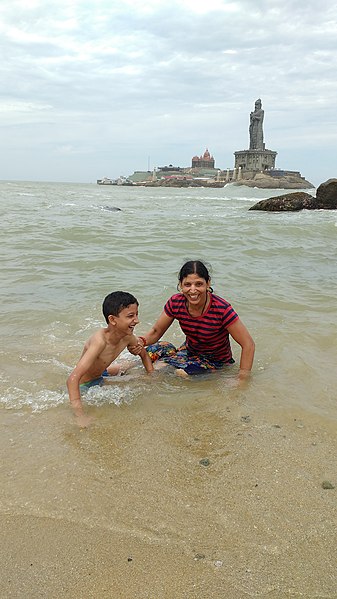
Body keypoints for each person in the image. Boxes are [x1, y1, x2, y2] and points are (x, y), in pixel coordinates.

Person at [132, 260, 255, 379]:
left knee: (176, 371)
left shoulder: (221, 309)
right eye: (187, 284)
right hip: (189, 352)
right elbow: (156, 331)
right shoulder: (176, 302)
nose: (193, 290)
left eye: (199, 284)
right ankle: (122, 368)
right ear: (180, 284)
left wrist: (241, 379)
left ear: (208, 283)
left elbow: (248, 344)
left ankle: (142, 376)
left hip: (215, 362)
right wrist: (141, 342)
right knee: (155, 349)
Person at [67, 291, 153, 427]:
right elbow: (72, 379)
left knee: (130, 365)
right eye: (131, 316)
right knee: (133, 383)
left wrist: (151, 374)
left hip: (101, 373)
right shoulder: (99, 341)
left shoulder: (127, 336)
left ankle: (116, 370)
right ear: (112, 319)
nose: (137, 320)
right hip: (84, 385)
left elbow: (143, 354)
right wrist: (80, 416)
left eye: (137, 314)